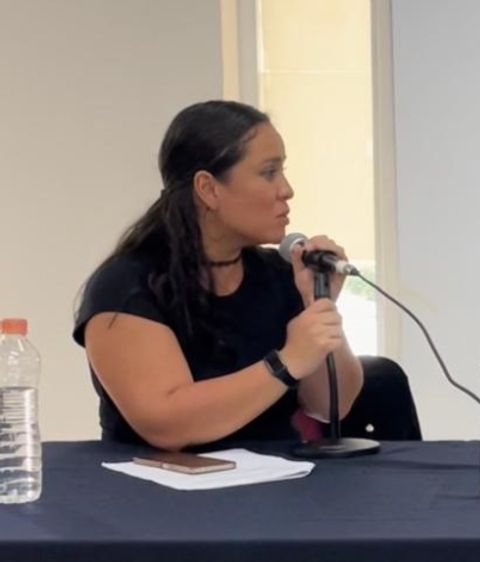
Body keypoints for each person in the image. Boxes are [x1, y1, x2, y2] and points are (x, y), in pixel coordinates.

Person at [74, 100, 363, 451]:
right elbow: (166, 425)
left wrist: (318, 303)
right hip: (160, 481)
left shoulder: (279, 274)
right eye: (268, 172)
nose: (286, 190)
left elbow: (331, 406)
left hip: (279, 477)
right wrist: (285, 363)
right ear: (208, 189)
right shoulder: (127, 285)